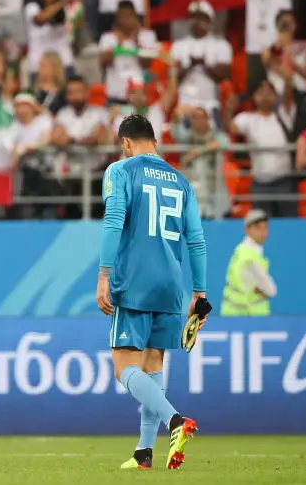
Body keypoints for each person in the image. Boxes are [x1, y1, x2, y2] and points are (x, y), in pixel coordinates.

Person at [96, 114, 208, 471]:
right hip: (171, 286)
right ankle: (145, 453)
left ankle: (176, 421)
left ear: (126, 142)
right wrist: (198, 292)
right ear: (154, 141)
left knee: (124, 368)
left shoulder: (121, 170)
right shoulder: (182, 181)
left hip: (134, 281)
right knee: (152, 365)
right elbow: (197, 241)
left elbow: (114, 221)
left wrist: (103, 275)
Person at [220, 209, 276, 316]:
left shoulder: (242, 251)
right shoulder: (249, 257)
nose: (263, 232)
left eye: (266, 227)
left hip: (237, 314)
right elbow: (271, 290)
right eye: (258, 228)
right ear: (247, 229)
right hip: (246, 316)